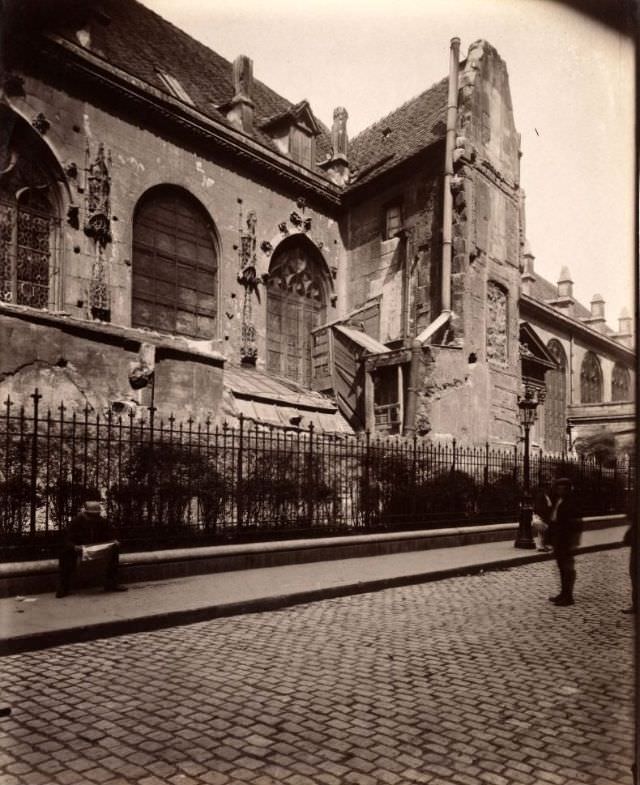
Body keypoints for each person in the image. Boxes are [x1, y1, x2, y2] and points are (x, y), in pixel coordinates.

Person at [57, 494, 127, 598]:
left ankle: (111, 583)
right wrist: (75, 547)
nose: (94, 518)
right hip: (80, 548)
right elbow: (66, 540)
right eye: (91, 515)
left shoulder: (102, 521)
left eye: (96, 515)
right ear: (85, 513)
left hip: (96, 547)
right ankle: (63, 587)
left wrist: (114, 541)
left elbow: (110, 533)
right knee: (66, 554)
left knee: (114, 549)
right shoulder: (76, 522)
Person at [548, 477, 581, 607]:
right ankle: (563, 593)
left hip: (567, 540)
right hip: (558, 539)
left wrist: (574, 542)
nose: (560, 490)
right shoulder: (558, 500)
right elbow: (553, 519)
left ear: (568, 489)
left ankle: (569, 597)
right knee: (561, 567)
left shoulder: (572, 503)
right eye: (558, 488)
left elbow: (577, 523)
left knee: (567, 569)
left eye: (563, 488)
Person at [532, 479, 553, 552]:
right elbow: (539, 507)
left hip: (544, 516)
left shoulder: (546, 495)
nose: (548, 488)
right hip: (541, 516)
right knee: (545, 530)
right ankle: (544, 545)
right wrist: (544, 515)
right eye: (547, 487)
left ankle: (541, 546)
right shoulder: (540, 495)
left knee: (542, 532)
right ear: (543, 488)